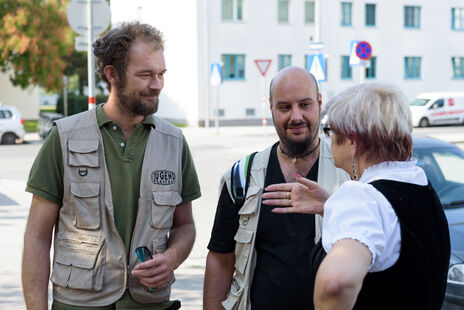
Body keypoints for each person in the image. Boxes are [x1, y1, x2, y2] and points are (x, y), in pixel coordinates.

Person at [22, 22, 201, 310]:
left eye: (161, 74)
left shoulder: (174, 142)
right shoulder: (64, 138)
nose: (156, 85)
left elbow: (186, 225)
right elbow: (37, 238)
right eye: (145, 75)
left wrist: (171, 258)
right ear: (112, 75)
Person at [263, 83, 451, 309]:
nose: (328, 140)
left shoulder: (361, 198)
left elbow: (335, 284)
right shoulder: (420, 184)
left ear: (352, 141)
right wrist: (329, 205)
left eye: (330, 131)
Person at [203, 67, 350, 310]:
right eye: (284, 107)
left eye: (305, 104)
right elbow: (221, 257)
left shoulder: (348, 173)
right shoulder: (242, 175)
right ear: (271, 107)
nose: (296, 116)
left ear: (319, 103)